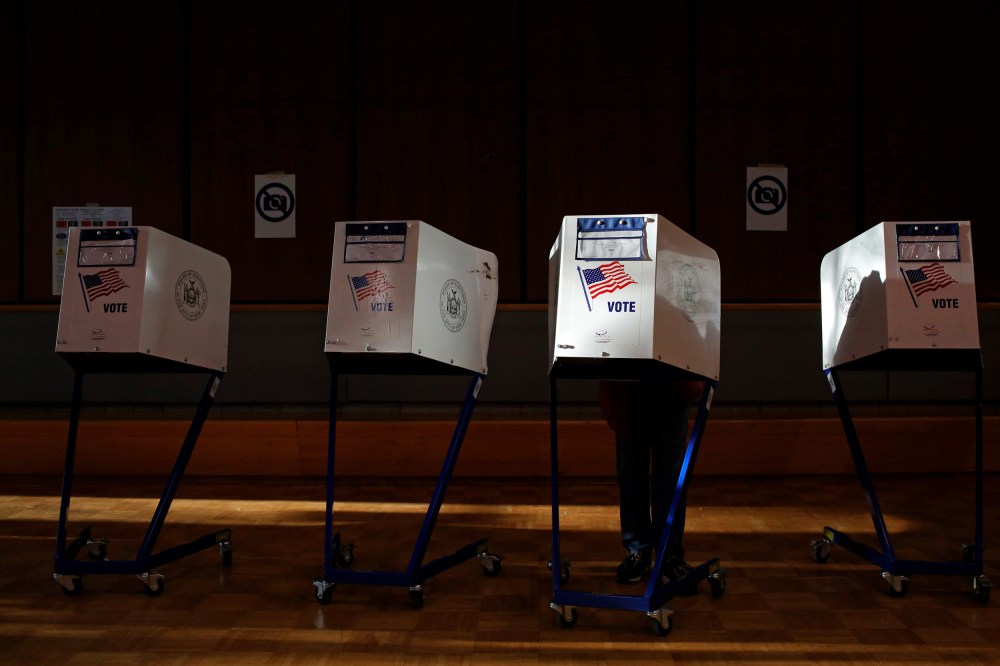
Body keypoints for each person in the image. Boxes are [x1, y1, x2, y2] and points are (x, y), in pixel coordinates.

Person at [598, 377, 704, 590]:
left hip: (672, 379)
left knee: (670, 477)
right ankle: (638, 551)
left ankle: (669, 556)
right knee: (631, 472)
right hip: (628, 379)